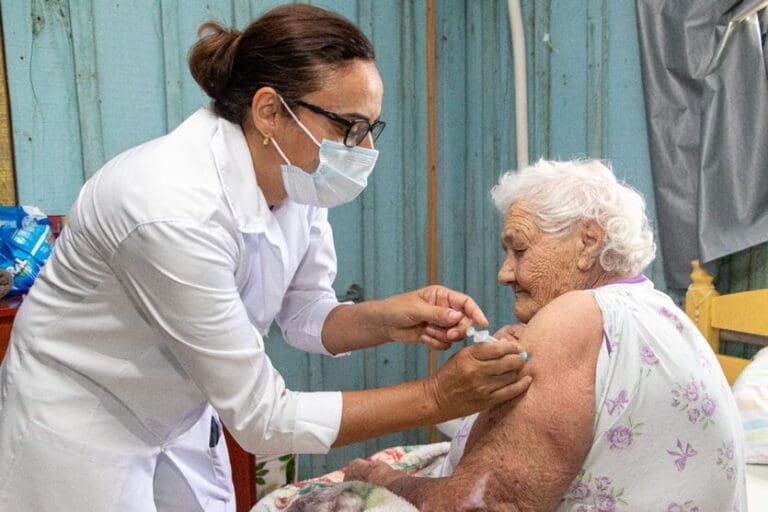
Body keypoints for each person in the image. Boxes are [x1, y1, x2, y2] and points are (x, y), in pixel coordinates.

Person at [0, 5, 530, 511]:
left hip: (173, 415)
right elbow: (262, 418)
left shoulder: (296, 178)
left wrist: (388, 319)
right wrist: (438, 397)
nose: (365, 150)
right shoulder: (168, 208)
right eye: (348, 126)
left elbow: (304, 315)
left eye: (372, 128)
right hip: (80, 425)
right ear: (270, 111)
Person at [346, 159, 747, 511]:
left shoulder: (574, 316)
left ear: (588, 241)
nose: (504, 273)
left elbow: (478, 506)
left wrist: (381, 479)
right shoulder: (657, 309)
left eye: (519, 251)